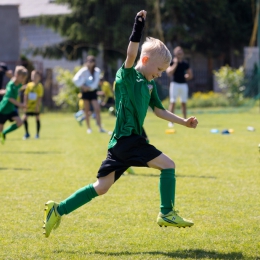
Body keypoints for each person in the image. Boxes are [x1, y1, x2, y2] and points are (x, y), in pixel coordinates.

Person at [43, 10, 198, 238]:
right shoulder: (127, 77)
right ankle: (166, 212)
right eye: (158, 70)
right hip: (128, 140)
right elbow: (131, 54)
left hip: (120, 145)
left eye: (163, 72)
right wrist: (138, 27)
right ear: (145, 61)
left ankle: (58, 209)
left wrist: (183, 122)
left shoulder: (149, 85)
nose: (159, 75)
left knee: (101, 187)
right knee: (169, 165)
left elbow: (159, 110)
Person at [73, 56, 106, 134]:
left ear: (94, 63)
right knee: (87, 110)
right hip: (85, 92)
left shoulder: (97, 71)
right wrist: (83, 86)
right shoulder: (83, 70)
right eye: (88, 61)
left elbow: (95, 83)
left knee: (97, 109)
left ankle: (100, 127)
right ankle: (89, 128)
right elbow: (75, 79)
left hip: (93, 91)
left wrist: (89, 87)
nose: (89, 63)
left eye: (91, 61)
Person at [0, 66, 28, 144]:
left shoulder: (18, 84)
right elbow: (10, 98)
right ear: (17, 76)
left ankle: (4, 133)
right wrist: (21, 105)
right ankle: (2, 134)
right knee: (0, 129)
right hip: (3, 109)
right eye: (22, 78)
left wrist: (27, 87)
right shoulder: (11, 85)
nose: (23, 80)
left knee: (20, 123)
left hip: (11, 110)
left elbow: (21, 87)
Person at [166, 46, 193, 127]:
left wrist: (187, 76)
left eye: (181, 51)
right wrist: (176, 63)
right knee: (173, 102)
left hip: (183, 84)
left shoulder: (185, 63)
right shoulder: (172, 62)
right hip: (174, 84)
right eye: (178, 52)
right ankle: (171, 122)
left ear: (183, 53)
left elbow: (190, 75)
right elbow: (169, 72)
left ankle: (185, 120)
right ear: (175, 53)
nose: (179, 53)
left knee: (183, 103)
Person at [22, 70, 44, 139]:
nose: (34, 78)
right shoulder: (29, 85)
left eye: (35, 76)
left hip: (35, 106)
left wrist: (37, 106)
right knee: (24, 118)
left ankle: (37, 134)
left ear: (39, 78)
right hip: (29, 106)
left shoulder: (40, 86)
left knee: (37, 118)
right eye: (33, 76)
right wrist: (25, 104)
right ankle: (27, 133)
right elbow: (26, 95)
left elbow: (40, 97)